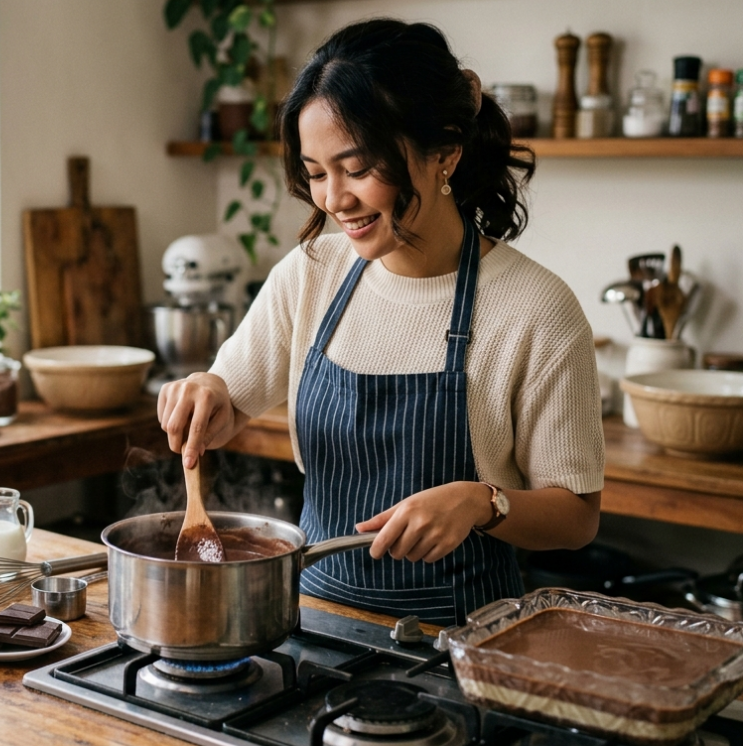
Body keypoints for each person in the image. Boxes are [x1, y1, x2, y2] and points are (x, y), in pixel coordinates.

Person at [157, 19, 605, 625]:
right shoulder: (313, 270)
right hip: (312, 620)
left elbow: (576, 517)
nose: (333, 200)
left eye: (358, 168)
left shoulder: (537, 309)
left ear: (444, 153)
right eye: (316, 173)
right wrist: (206, 393)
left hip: (461, 641)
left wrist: (483, 502)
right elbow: (230, 401)